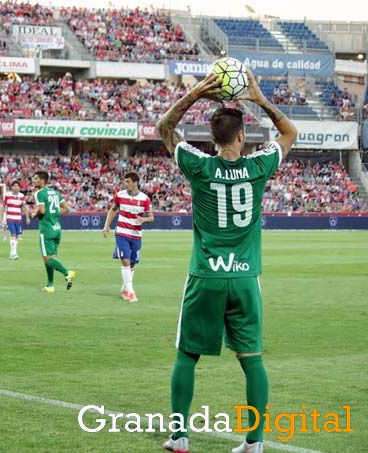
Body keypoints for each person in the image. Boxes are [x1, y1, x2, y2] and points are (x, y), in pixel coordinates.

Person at [156, 70, 297, 453]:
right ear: (241, 136)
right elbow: (289, 134)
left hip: (206, 275)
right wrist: (259, 98)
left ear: (212, 138)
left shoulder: (198, 166)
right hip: (246, 278)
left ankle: (180, 436)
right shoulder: (258, 167)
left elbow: (164, 127)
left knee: (187, 354)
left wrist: (195, 93)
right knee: (252, 360)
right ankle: (254, 443)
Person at [102, 172, 153, 302]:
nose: (126, 184)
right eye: (125, 182)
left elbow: (151, 218)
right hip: (122, 232)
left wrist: (143, 219)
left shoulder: (145, 199)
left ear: (135, 182)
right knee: (125, 259)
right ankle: (130, 292)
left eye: (128, 182)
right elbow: (113, 210)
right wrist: (107, 225)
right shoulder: (120, 195)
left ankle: (125, 288)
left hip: (136, 234)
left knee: (132, 263)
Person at [31, 171, 76, 293]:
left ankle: (67, 272)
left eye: (36, 178)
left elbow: (42, 211)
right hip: (57, 229)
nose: (33, 180)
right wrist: (55, 216)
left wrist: (34, 215)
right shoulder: (56, 193)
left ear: (42, 180)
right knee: (49, 258)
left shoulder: (39, 193)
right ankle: (50, 285)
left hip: (46, 230)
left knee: (47, 259)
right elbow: (66, 209)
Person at [0, 181, 31, 260]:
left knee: (17, 236)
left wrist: (27, 217)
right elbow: (3, 207)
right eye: (14, 186)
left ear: (20, 188)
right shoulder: (7, 195)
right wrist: (1, 217)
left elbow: (24, 207)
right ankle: (13, 253)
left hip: (18, 219)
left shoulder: (22, 196)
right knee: (13, 234)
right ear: (11, 187)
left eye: (17, 186)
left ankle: (13, 252)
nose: (16, 187)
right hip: (10, 218)